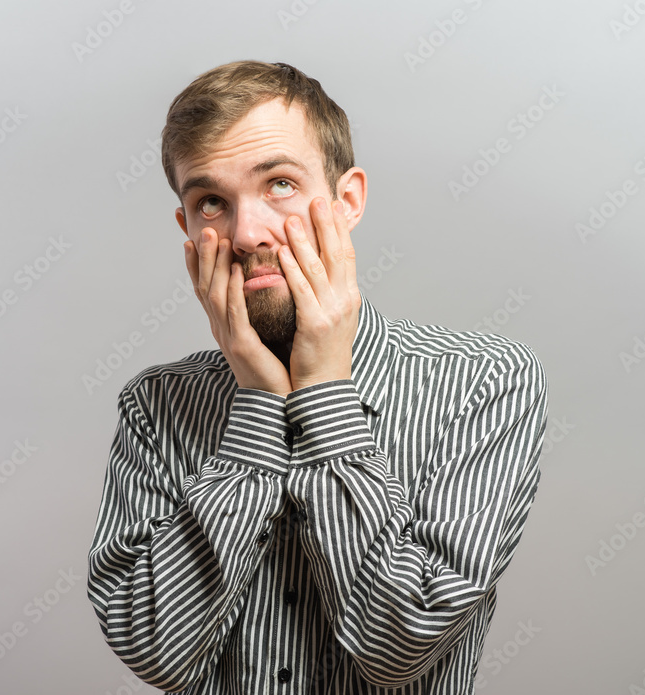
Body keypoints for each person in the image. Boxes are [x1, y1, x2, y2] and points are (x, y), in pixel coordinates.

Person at [87, 60, 547, 694]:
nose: (247, 234)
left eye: (279, 184)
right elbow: (157, 652)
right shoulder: (157, 403)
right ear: (187, 228)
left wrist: (325, 392)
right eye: (211, 201)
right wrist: (258, 405)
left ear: (347, 201)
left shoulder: (485, 383)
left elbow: (397, 646)